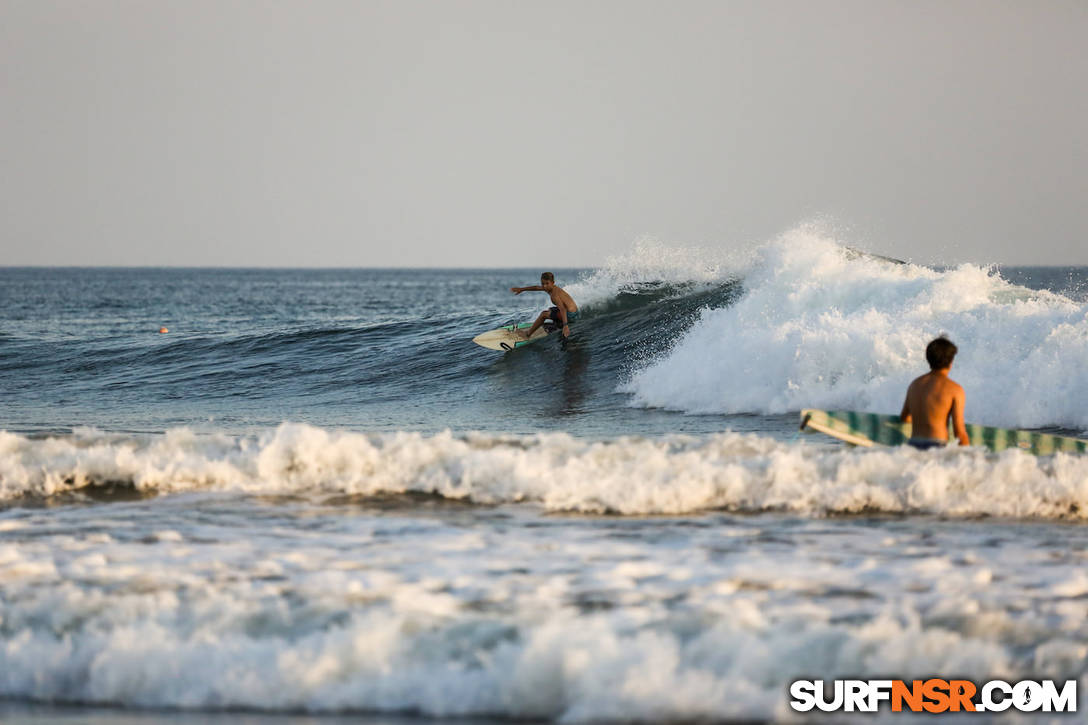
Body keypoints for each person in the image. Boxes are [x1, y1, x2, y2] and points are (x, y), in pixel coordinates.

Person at [899, 337, 970, 450]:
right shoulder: (955, 389)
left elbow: (905, 417)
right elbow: (959, 433)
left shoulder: (915, 385)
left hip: (913, 446)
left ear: (928, 359)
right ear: (951, 362)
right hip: (936, 447)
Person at [510, 272, 579, 339]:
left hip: (570, 315)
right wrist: (522, 289)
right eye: (543, 284)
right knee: (551, 310)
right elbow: (536, 288)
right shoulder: (550, 288)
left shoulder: (554, 295)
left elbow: (562, 309)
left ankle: (527, 334)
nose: (544, 286)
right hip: (575, 312)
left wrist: (565, 326)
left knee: (543, 314)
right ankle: (559, 323)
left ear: (553, 283)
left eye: (547, 283)